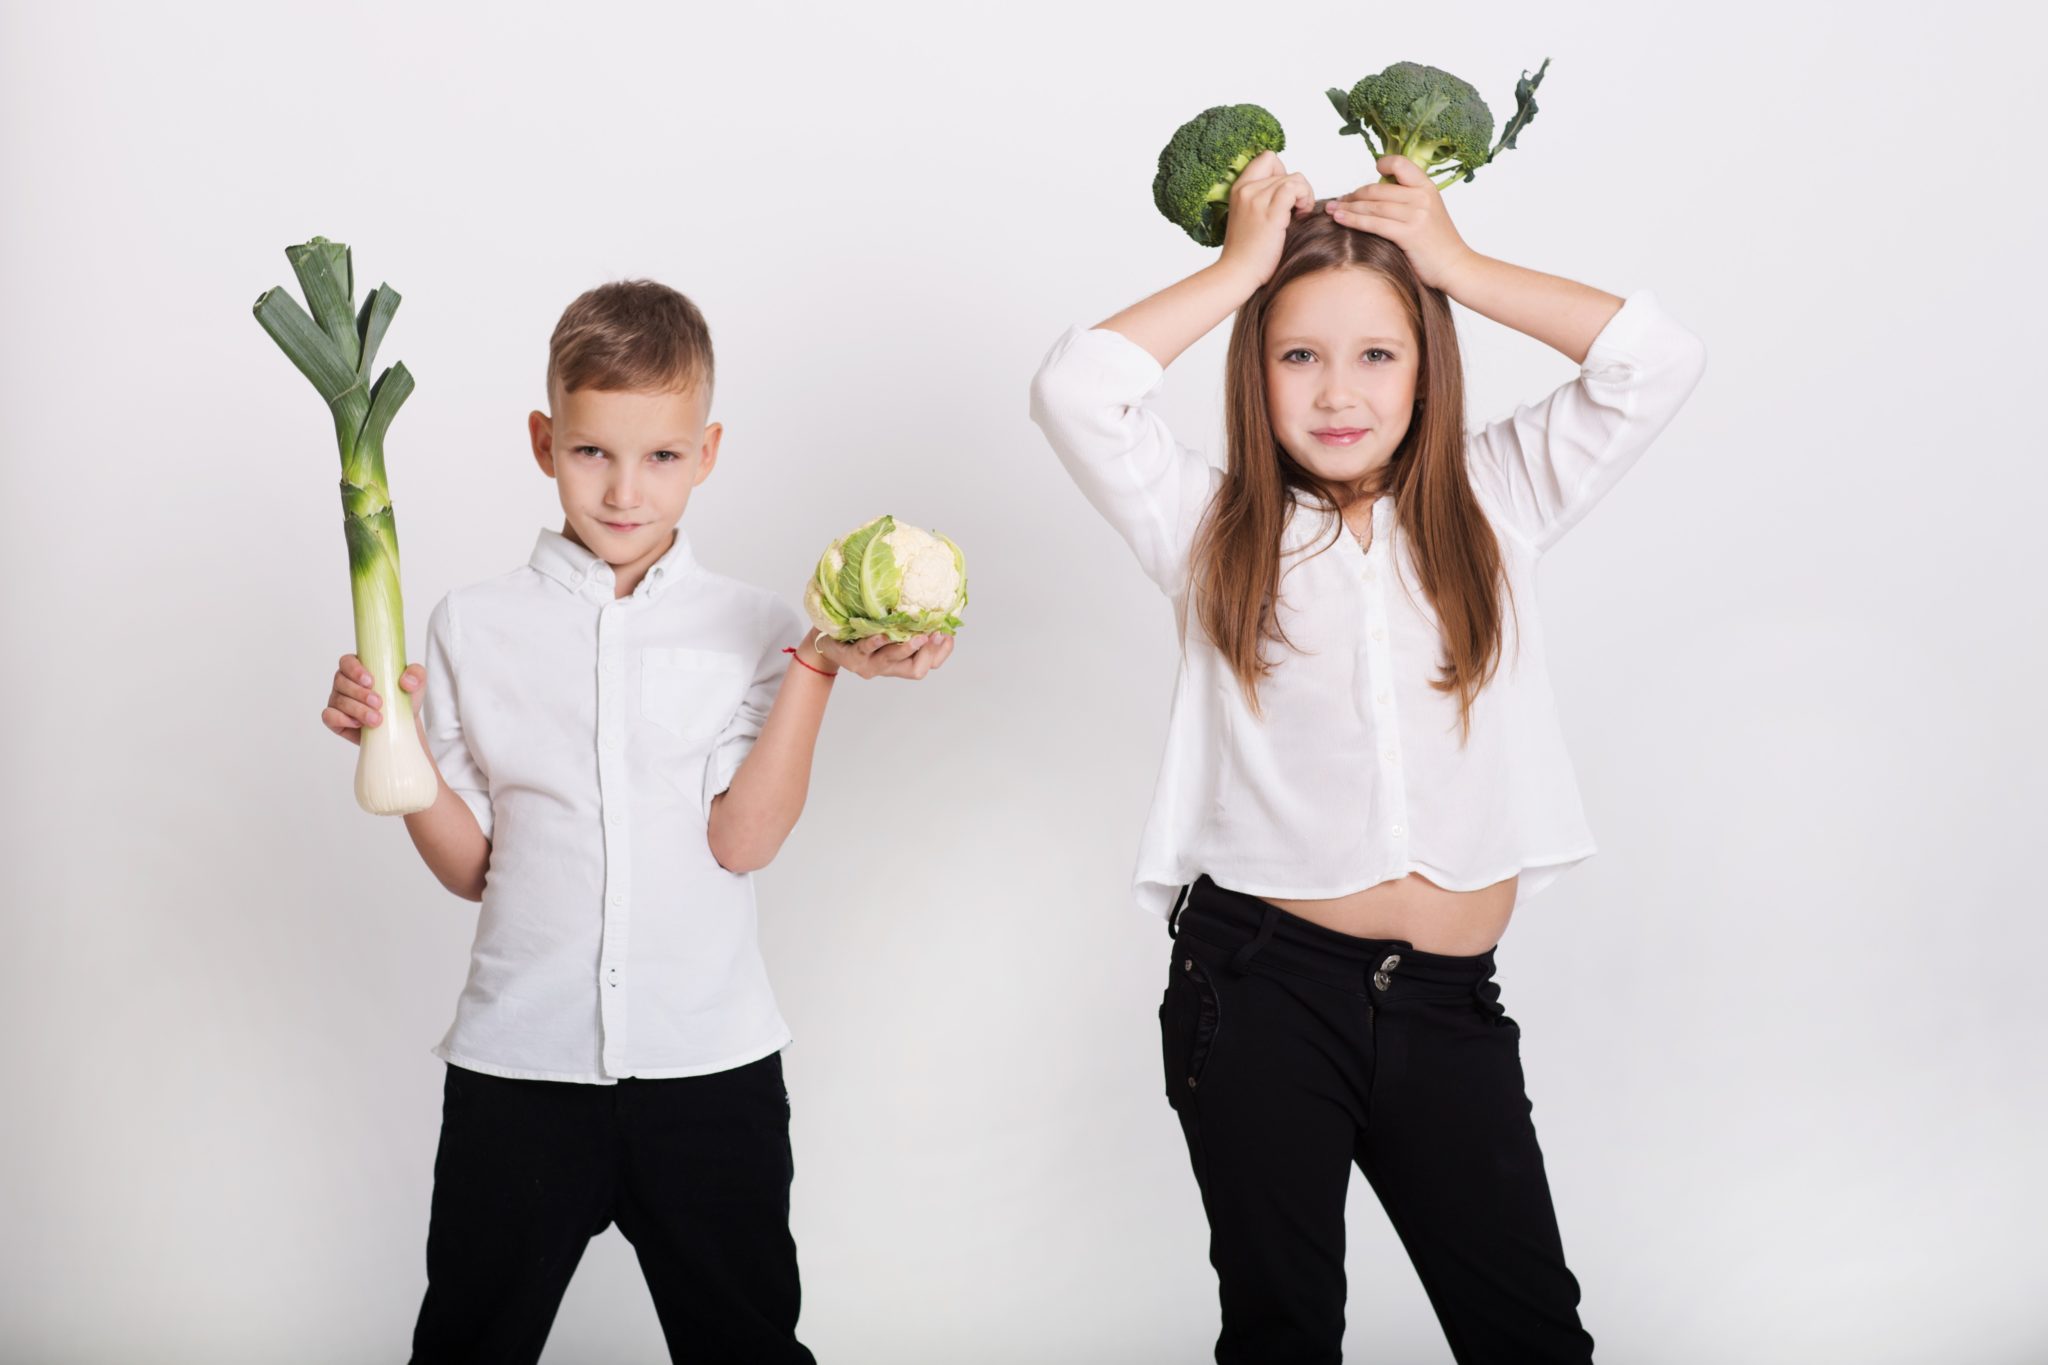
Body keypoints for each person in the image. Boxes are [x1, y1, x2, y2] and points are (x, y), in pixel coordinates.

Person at [1028, 150, 1707, 1363]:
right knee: (1283, 1334)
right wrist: (1239, 269)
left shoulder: (1495, 499)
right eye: (1299, 354)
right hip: (1258, 994)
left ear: (1425, 367)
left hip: (1446, 1010)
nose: (1337, 390)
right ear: (1256, 367)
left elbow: (1654, 362)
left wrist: (1452, 262)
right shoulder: (1207, 526)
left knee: (1530, 1335)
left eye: (1375, 354)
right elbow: (1076, 390)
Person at [319, 279, 954, 1364]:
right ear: (543, 441)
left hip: (709, 1077)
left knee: (747, 1346)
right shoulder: (471, 626)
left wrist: (816, 667)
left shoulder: (759, 628)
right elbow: (473, 869)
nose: (623, 490)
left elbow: (739, 842)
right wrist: (400, 745)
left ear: (706, 452)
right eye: (590, 454)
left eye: (661, 457)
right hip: (519, 1076)